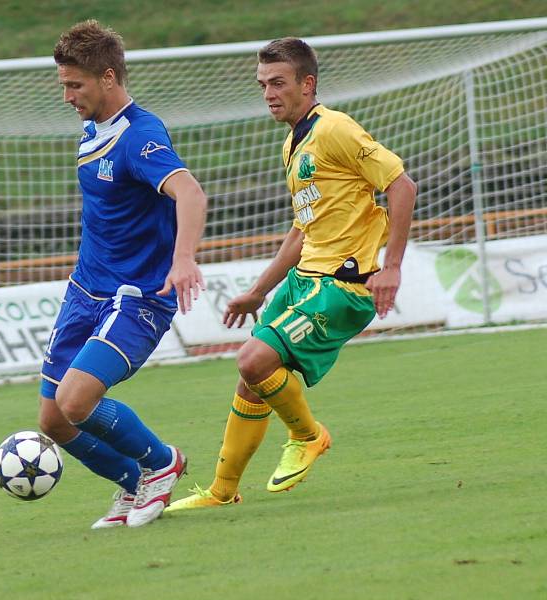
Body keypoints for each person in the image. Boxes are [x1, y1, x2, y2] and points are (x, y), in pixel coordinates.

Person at [167, 37, 417, 512]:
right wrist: (257, 292)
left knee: (253, 361)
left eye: (278, 83)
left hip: (342, 286)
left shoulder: (336, 129)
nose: (268, 93)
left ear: (308, 83)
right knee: (251, 380)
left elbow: (401, 185)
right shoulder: (293, 142)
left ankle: (308, 435)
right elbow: (302, 231)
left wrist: (394, 266)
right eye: (262, 84)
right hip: (305, 278)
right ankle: (222, 492)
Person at [38, 20, 208, 529]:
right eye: (64, 84)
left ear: (108, 77)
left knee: (77, 401)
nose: (66, 95)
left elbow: (192, 193)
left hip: (135, 297)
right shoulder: (92, 129)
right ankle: (133, 485)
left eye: (75, 85)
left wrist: (183, 258)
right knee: (53, 420)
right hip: (85, 290)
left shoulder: (141, 136)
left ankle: (162, 463)